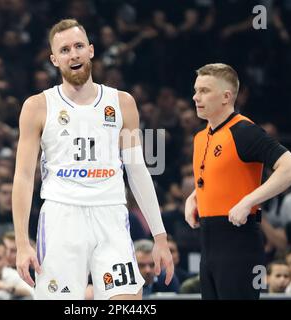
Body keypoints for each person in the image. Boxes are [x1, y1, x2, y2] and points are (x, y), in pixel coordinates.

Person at [12, 19, 173, 300]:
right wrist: (22, 243)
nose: (73, 54)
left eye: (78, 46)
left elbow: (137, 172)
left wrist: (160, 237)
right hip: (62, 217)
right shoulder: (37, 106)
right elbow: (24, 178)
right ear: (54, 59)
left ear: (91, 50)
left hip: (110, 214)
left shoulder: (122, 102)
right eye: (64, 50)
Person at [184, 63, 291, 300]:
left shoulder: (245, 131)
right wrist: (194, 197)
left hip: (239, 241)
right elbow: (217, 176)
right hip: (208, 242)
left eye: (205, 91)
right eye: (196, 90)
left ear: (226, 97)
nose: (196, 97)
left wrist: (248, 200)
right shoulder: (200, 137)